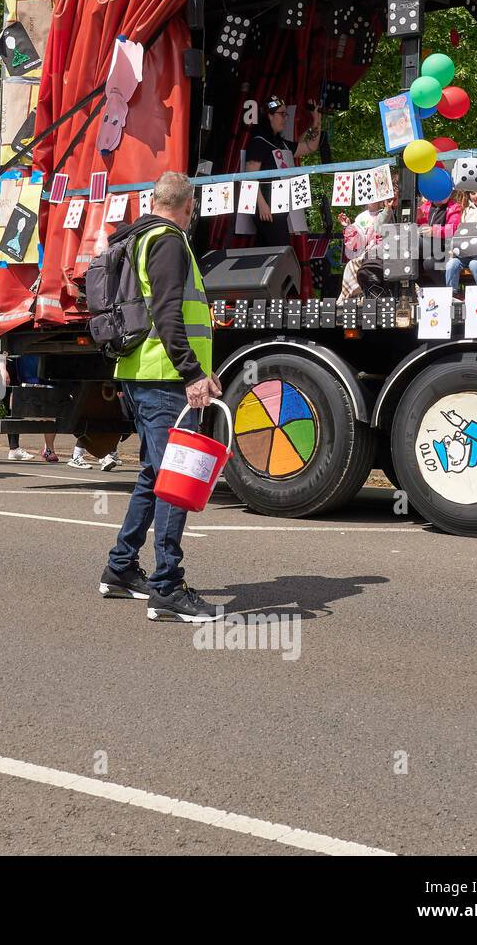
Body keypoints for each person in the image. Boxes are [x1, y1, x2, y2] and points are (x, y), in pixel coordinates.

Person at [98, 170, 222, 623]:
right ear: (189, 206)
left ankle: (121, 568)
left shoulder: (137, 237)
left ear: (153, 199)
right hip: (165, 377)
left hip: (142, 371)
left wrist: (200, 371)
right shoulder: (169, 240)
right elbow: (169, 312)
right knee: (174, 478)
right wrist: (193, 373)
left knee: (154, 472)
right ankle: (167, 588)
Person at [245, 96, 323, 250]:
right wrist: (262, 205)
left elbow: (310, 147)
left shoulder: (281, 144)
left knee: (270, 253)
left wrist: (316, 121)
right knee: (281, 251)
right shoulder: (258, 142)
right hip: (267, 209)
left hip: (281, 208)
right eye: (282, 114)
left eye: (286, 114)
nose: (285, 119)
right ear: (269, 115)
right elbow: (249, 177)